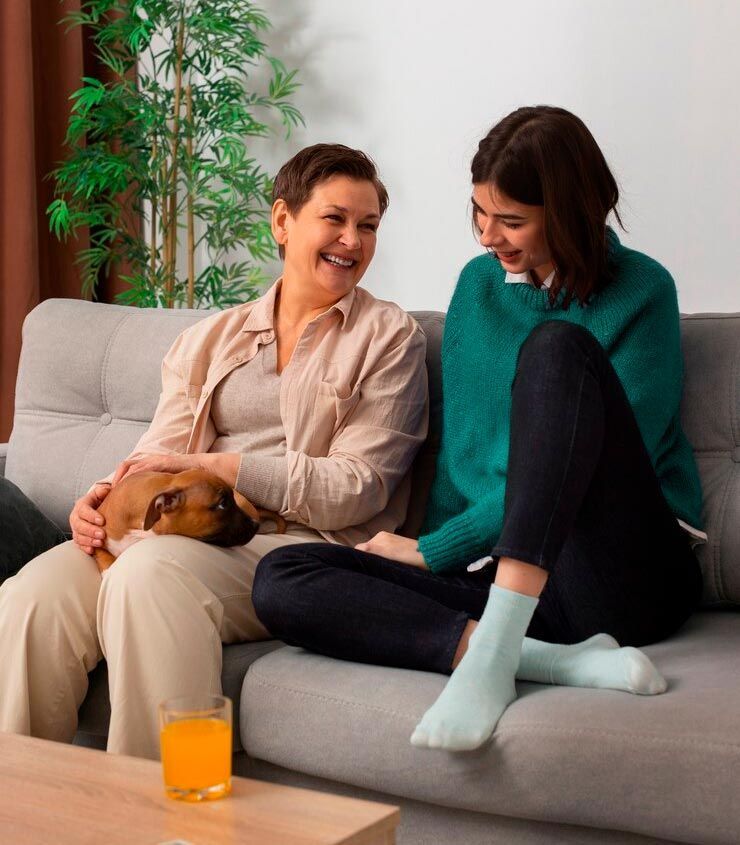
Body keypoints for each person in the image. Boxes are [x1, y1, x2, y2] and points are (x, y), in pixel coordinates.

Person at [252, 106, 705, 752]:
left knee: (556, 350)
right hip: (506, 587)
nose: (489, 236)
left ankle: (493, 656)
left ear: (571, 211)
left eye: (512, 220)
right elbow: (463, 457)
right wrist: (433, 551)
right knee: (282, 579)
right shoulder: (477, 288)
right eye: (479, 213)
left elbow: (582, 461)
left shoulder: (643, 292)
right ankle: (536, 658)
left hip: (619, 571)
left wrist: (436, 550)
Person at [0, 144, 428, 760]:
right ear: (283, 220)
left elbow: (357, 488)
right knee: (31, 595)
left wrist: (221, 468)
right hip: (189, 530)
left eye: (368, 226)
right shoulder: (209, 339)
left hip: (303, 550)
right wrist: (103, 497)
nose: (352, 240)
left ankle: (158, 822)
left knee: (147, 578)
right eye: (334, 219)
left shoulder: (388, 338)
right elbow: (161, 454)